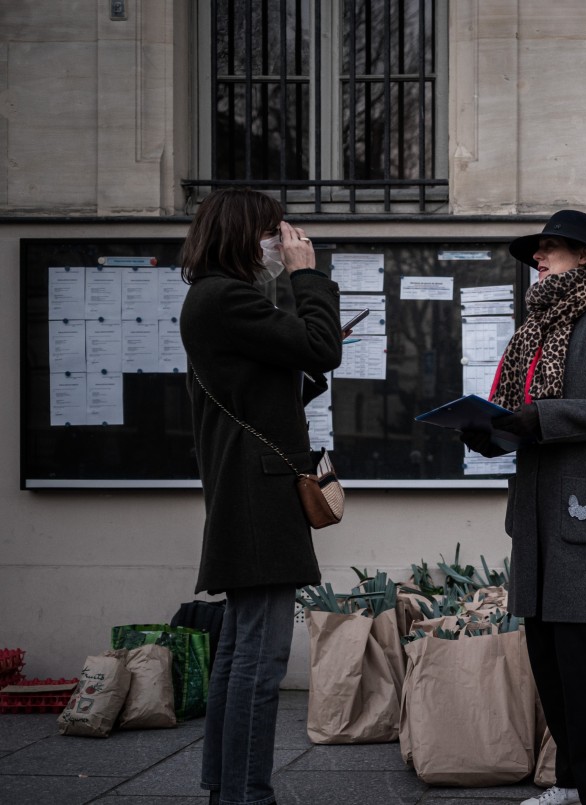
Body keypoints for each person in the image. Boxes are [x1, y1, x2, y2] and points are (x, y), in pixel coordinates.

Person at [463, 210, 586, 805]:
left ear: (585, 256)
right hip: (541, 521)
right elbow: (528, 420)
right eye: (537, 250)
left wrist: (538, 419)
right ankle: (573, 783)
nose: (538, 259)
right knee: (550, 660)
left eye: (551, 248)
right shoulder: (535, 330)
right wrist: (492, 431)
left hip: (585, 517)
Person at [179, 188, 343, 805]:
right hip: (258, 493)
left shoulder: (213, 298)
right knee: (263, 656)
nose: (284, 243)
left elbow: (261, 388)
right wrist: (309, 278)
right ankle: (247, 793)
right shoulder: (227, 296)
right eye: (276, 233)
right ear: (246, 235)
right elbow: (319, 345)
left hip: (249, 486)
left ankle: (229, 787)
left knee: (242, 648)